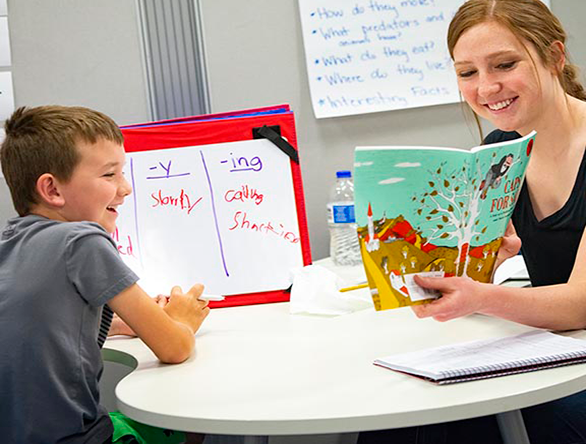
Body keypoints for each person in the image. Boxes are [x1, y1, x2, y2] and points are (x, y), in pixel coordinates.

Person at [359, 0, 586, 443]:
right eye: (467, 73)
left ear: (555, 57)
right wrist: (482, 260)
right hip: (561, 349)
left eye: (505, 64)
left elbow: (580, 303)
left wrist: (479, 297)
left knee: (462, 423)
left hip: (571, 357)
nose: (486, 87)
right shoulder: (502, 151)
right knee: (401, 418)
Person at [0, 105, 210, 444]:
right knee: (193, 418)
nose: (125, 188)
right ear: (52, 190)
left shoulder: (10, 244)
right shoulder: (82, 241)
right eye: (109, 175)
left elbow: (43, 324)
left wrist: (126, 322)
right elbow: (174, 347)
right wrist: (182, 319)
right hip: (77, 439)